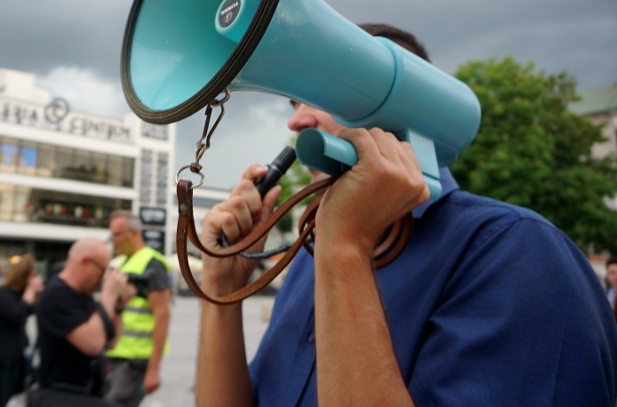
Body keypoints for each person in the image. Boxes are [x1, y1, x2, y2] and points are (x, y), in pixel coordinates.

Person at [195, 23, 617, 406]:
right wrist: (221, 290)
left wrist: (343, 249)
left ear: (411, 104)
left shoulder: (516, 251)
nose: (297, 119)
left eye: (321, 93)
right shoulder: (310, 254)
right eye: (294, 101)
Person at [33, 237, 132, 402]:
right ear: (85, 262)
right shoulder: (56, 294)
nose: (104, 277)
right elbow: (92, 344)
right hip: (60, 396)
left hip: (86, 394)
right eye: (103, 270)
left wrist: (118, 307)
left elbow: (110, 342)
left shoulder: (84, 296)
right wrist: (108, 295)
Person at [104, 211, 172, 407]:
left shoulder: (152, 264)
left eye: (116, 235)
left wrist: (154, 369)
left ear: (133, 233)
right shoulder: (125, 263)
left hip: (134, 360)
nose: (113, 241)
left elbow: (163, 315)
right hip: (118, 356)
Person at [0, 253, 44, 407]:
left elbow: (39, 309)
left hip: (14, 356)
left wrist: (39, 293)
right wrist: (30, 292)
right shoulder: (3, 293)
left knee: (10, 396)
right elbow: (18, 314)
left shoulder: (20, 295)